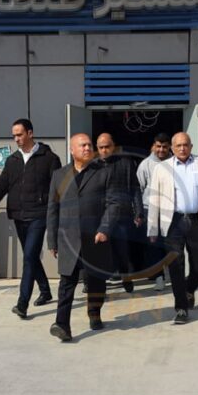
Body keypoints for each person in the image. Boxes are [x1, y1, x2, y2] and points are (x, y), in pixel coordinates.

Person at [46, 133, 120, 342]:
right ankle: (62, 324)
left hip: (95, 238)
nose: (87, 148)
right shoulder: (59, 175)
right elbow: (52, 209)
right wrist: (52, 240)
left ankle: (94, 313)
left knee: (96, 281)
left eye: (89, 145)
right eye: (82, 145)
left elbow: (114, 203)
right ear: (72, 150)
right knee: (66, 283)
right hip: (68, 239)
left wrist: (104, 229)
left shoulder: (104, 172)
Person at [0, 118, 61, 319]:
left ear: (30, 133)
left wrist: (58, 214)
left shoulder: (49, 158)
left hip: (39, 214)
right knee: (31, 256)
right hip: (19, 215)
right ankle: (45, 290)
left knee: (28, 257)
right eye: (14, 136)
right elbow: (2, 182)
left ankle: (22, 303)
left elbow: (58, 188)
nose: (16, 139)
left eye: (19, 134)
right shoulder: (13, 160)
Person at [146, 131, 198, 325]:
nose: (182, 148)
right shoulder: (161, 168)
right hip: (173, 221)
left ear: (191, 146)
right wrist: (152, 229)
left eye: (185, 145)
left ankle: (189, 289)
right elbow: (154, 200)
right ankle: (181, 308)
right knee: (175, 265)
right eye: (178, 145)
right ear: (172, 148)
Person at [95, 133, 142, 293]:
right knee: (99, 251)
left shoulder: (126, 163)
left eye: (107, 147)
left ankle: (125, 275)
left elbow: (135, 189)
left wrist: (138, 212)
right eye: (101, 147)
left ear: (113, 146)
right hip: (98, 215)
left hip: (122, 214)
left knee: (121, 250)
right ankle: (95, 283)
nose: (104, 150)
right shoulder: (92, 165)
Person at [135, 132, 172, 289]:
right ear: (153, 146)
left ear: (169, 147)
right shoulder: (146, 164)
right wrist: (138, 213)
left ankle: (172, 275)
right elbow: (138, 189)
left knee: (170, 244)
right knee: (153, 245)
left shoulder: (175, 163)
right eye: (158, 146)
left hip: (170, 210)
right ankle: (159, 277)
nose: (161, 149)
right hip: (149, 210)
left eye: (164, 146)